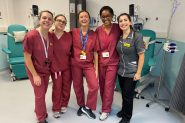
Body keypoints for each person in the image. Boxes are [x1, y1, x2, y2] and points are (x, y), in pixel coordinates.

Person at [23, 10, 54, 123]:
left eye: (50, 19)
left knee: (42, 92)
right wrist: (35, 75)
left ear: (52, 22)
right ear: (39, 20)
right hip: (34, 70)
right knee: (40, 94)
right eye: (44, 18)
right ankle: (41, 118)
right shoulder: (31, 36)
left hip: (45, 69)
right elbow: (26, 58)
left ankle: (38, 110)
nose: (47, 21)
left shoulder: (51, 35)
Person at [116, 13, 145, 123]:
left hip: (132, 72)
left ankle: (126, 117)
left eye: (125, 20)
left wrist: (138, 73)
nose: (123, 22)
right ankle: (124, 110)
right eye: (120, 21)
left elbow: (142, 56)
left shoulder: (137, 36)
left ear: (130, 22)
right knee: (124, 94)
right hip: (121, 71)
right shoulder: (120, 36)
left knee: (128, 96)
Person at [71, 10, 99, 119]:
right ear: (79, 19)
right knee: (77, 85)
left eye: (86, 16)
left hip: (88, 64)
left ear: (89, 19)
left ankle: (88, 107)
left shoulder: (93, 34)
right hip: (76, 63)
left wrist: (96, 68)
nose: (84, 18)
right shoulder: (73, 32)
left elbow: (96, 52)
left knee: (94, 86)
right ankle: (81, 105)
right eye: (81, 17)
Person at [95, 6, 120, 121]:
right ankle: (106, 104)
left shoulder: (117, 27)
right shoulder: (98, 30)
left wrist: (140, 43)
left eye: (108, 16)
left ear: (112, 16)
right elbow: (95, 47)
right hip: (101, 62)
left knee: (109, 86)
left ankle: (106, 109)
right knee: (102, 85)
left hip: (113, 62)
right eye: (103, 16)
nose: (106, 18)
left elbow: (129, 34)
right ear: (100, 17)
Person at [50, 14, 72, 118]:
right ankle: (56, 107)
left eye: (64, 22)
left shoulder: (69, 36)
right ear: (54, 21)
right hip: (55, 67)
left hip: (67, 66)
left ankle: (64, 104)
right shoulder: (49, 35)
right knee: (57, 87)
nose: (61, 23)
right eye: (59, 20)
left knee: (66, 86)